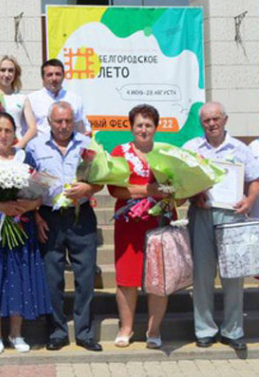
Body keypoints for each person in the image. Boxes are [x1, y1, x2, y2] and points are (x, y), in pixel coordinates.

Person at [0, 112, 51, 354]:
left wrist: (28, 206)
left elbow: (39, 193)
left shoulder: (27, 157)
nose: (3, 135)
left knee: (18, 276)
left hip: (21, 226)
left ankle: (16, 333)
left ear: (15, 133)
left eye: (8, 130)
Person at [182, 102, 259, 351]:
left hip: (232, 216)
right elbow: (180, 180)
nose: (212, 124)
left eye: (216, 119)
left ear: (225, 120)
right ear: (201, 123)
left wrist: (248, 201)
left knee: (234, 275)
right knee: (202, 274)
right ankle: (204, 330)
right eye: (207, 120)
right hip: (202, 214)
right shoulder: (191, 148)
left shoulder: (240, 149)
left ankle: (233, 330)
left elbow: (254, 180)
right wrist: (193, 196)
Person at [27, 101, 103, 352]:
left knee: (85, 276)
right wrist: (36, 216)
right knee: (52, 278)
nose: (63, 126)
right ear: (49, 122)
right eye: (58, 121)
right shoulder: (35, 146)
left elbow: (103, 179)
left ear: (74, 121)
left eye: (68, 121)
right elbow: (29, 186)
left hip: (81, 215)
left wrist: (89, 188)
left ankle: (84, 332)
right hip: (49, 216)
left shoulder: (87, 145)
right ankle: (57, 332)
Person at [108, 104, 170, 349]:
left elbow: (177, 184)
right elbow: (114, 189)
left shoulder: (167, 153)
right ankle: (126, 328)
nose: (143, 130)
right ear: (131, 127)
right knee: (126, 278)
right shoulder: (120, 151)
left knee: (159, 278)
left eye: (148, 125)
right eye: (139, 125)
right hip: (129, 223)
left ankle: (154, 330)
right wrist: (147, 190)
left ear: (156, 127)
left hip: (160, 222)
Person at [0, 55, 37, 148]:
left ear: (16, 74)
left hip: (15, 146)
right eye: (3, 70)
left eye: (11, 70)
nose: (7, 74)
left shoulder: (22, 98)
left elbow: (32, 128)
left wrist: (20, 145)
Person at [27, 59, 90, 136]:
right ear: (43, 78)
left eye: (58, 74)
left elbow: (83, 128)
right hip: (40, 146)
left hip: (69, 146)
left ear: (63, 76)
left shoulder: (75, 99)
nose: (54, 78)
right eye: (49, 75)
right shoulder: (31, 99)